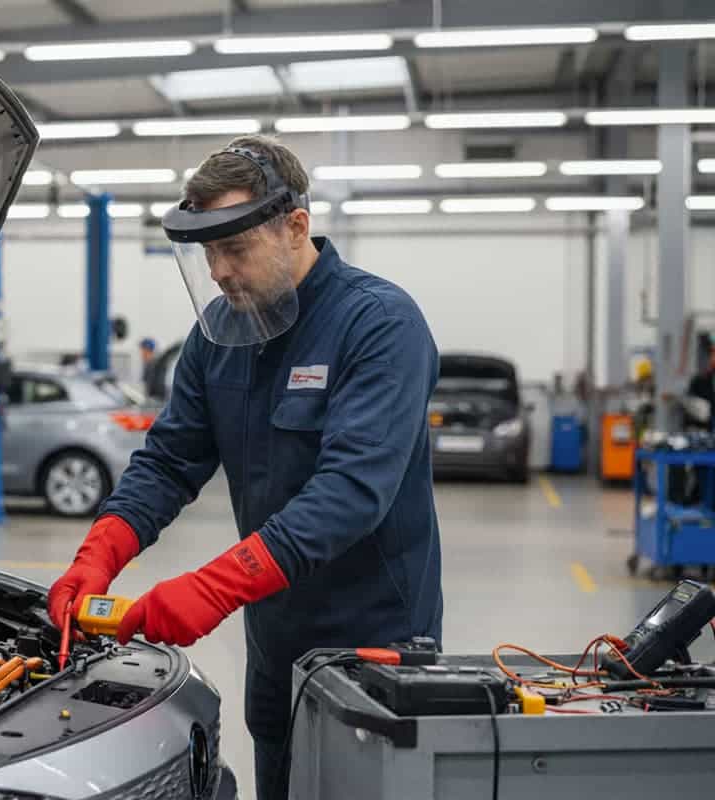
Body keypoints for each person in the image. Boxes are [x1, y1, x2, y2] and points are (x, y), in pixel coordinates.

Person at [47, 135, 443, 800]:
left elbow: (350, 492)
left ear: (296, 227)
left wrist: (213, 587)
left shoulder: (378, 324)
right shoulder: (219, 335)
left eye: (235, 248)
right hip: (276, 639)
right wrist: (98, 553)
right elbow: (169, 461)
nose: (220, 271)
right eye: (208, 252)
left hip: (376, 645)